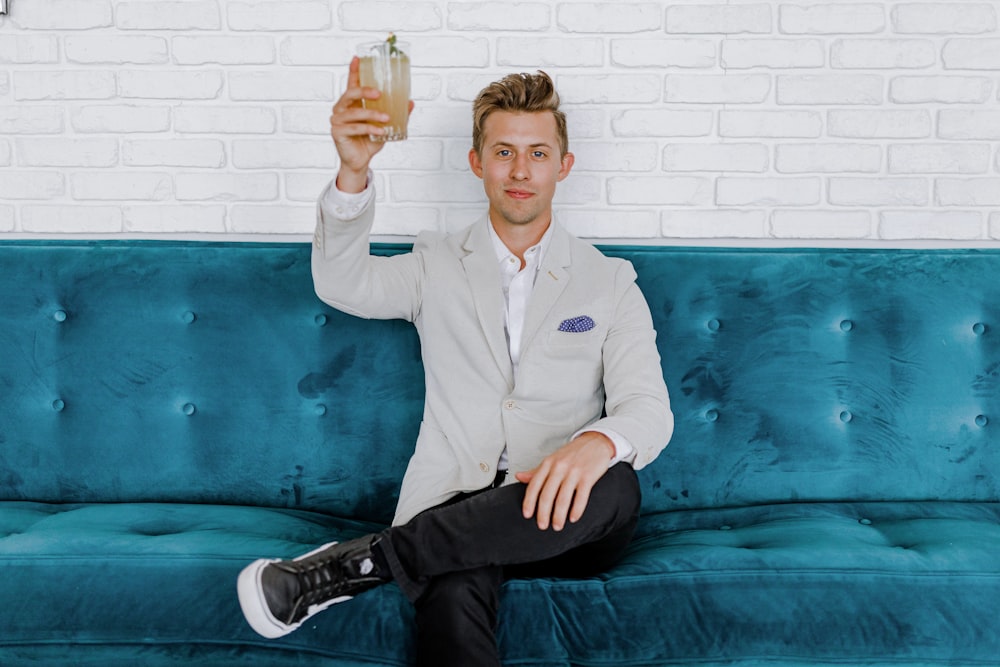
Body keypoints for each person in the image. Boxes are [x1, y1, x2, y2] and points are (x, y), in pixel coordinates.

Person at [237, 58, 673, 667]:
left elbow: (648, 408)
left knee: (618, 481)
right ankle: (399, 554)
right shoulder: (434, 263)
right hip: (453, 506)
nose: (520, 171)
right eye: (503, 152)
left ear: (564, 166)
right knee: (454, 572)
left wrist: (595, 444)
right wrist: (353, 172)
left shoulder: (611, 281)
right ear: (477, 162)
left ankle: (354, 566)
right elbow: (343, 282)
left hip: (568, 519)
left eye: (538, 153)